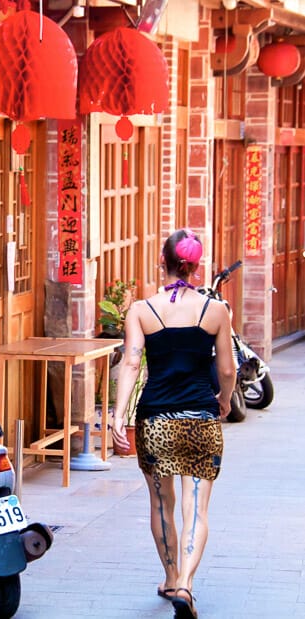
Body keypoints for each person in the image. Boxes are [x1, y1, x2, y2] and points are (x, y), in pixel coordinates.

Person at [111, 229, 236, 619]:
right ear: (197, 267)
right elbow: (228, 369)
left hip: (156, 420)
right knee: (196, 510)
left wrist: (118, 414)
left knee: (161, 504)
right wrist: (225, 401)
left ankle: (168, 578)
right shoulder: (216, 311)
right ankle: (185, 584)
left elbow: (131, 363)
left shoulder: (142, 310)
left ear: (161, 262)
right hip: (201, 419)